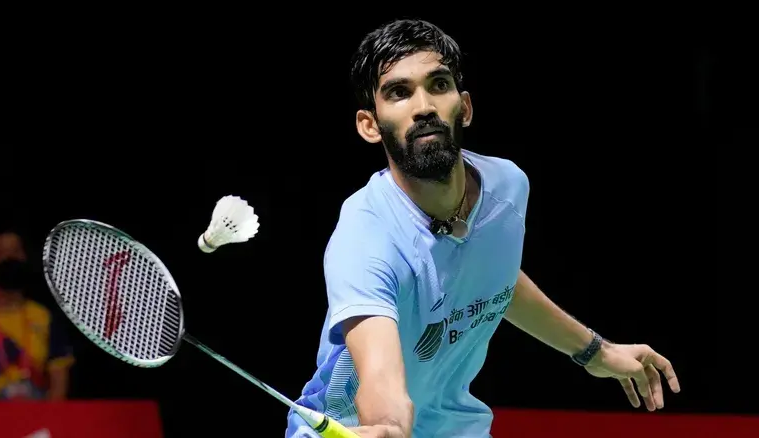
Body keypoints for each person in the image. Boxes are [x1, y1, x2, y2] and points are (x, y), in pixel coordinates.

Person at [285, 19, 680, 438]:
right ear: (369, 124)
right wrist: (387, 425)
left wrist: (594, 352)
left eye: (438, 85)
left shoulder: (507, 189)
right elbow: (378, 372)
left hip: (455, 426)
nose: (423, 106)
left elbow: (492, 280)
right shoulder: (365, 239)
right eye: (399, 93)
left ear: (465, 107)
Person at [0, 229, 74, 400]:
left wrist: (48, 424)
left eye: (15, 252)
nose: (9, 259)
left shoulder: (44, 317)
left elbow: (58, 385)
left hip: (32, 420)